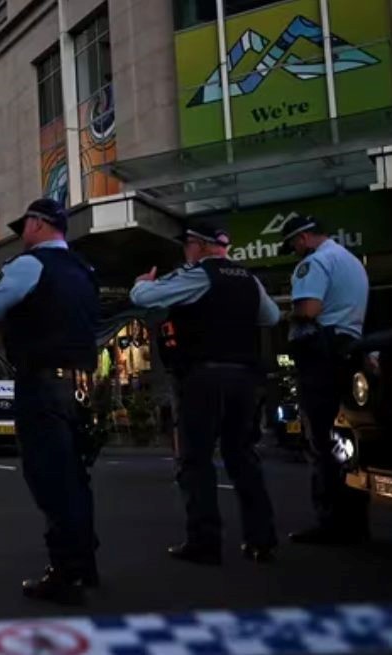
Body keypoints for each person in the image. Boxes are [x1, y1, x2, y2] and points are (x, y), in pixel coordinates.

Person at [0, 198, 100, 605]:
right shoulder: (84, 269)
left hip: (42, 384)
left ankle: (66, 573)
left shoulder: (29, 265)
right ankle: (84, 563)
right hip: (81, 385)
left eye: (25, 226)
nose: (22, 235)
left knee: (50, 478)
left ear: (38, 224)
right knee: (76, 478)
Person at [129, 221, 281, 565]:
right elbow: (271, 316)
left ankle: (205, 541)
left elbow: (145, 298)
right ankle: (262, 539)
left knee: (196, 459)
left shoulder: (200, 275)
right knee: (243, 456)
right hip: (244, 378)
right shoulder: (249, 279)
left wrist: (142, 284)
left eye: (187, 245)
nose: (186, 252)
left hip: (203, 376)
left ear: (198, 245)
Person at [276, 214, 371, 545]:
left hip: (321, 354)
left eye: (293, 245)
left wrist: (285, 314)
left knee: (322, 439)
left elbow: (308, 310)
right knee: (347, 439)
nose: (294, 251)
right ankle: (356, 521)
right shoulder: (350, 261)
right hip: (348, 350)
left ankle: (331, 520)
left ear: (302, 239)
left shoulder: (313, 263)